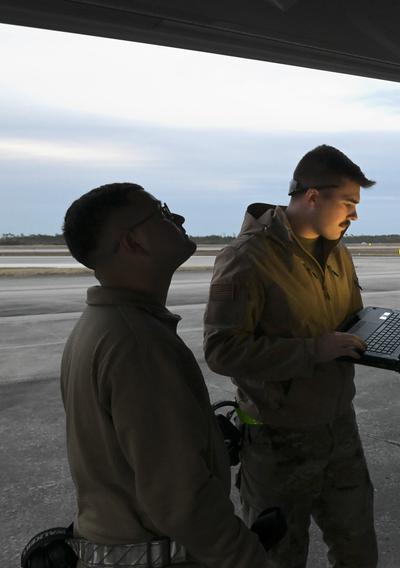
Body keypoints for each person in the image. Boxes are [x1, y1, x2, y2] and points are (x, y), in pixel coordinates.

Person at [204, 145, 400, 567]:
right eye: (348, 203)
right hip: (277, 437)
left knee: (357, 546)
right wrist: (313, 350)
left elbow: (349, 321)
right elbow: (221, 349)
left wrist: (392, 345)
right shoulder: (246, 258)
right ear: (311, 197)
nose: (354, 216)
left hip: (339, 427)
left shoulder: (336, 250)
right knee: (280, 554)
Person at [60, 183, 272, 567]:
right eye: (160, 212)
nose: (178, 218)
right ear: (134, 241)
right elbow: (182, 499)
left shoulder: (103, 325)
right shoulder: (137, 343)